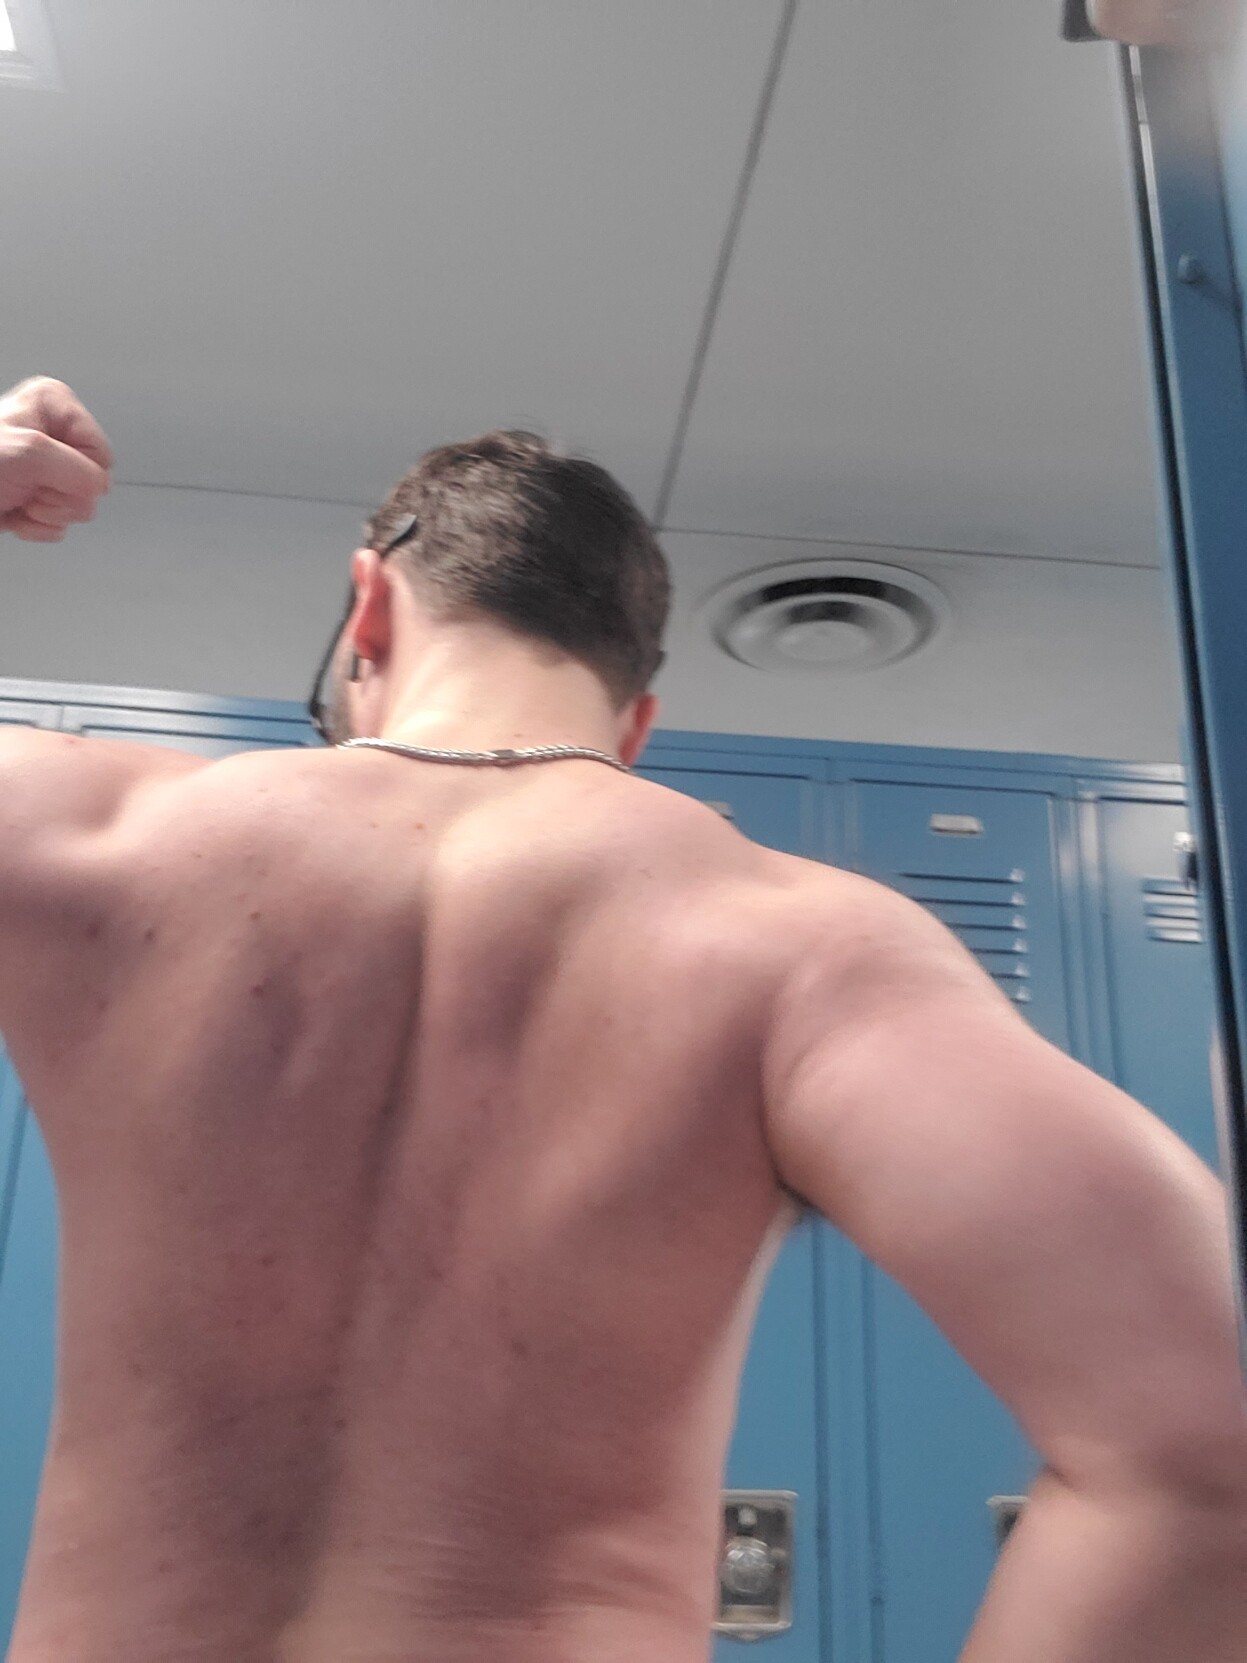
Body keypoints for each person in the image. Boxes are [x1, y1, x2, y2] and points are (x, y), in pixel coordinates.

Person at [0, 373, 1244, 1663]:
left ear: (369, 609)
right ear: (638, 721)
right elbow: (1209, 1441)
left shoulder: (84, 832)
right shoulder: (801, 951)